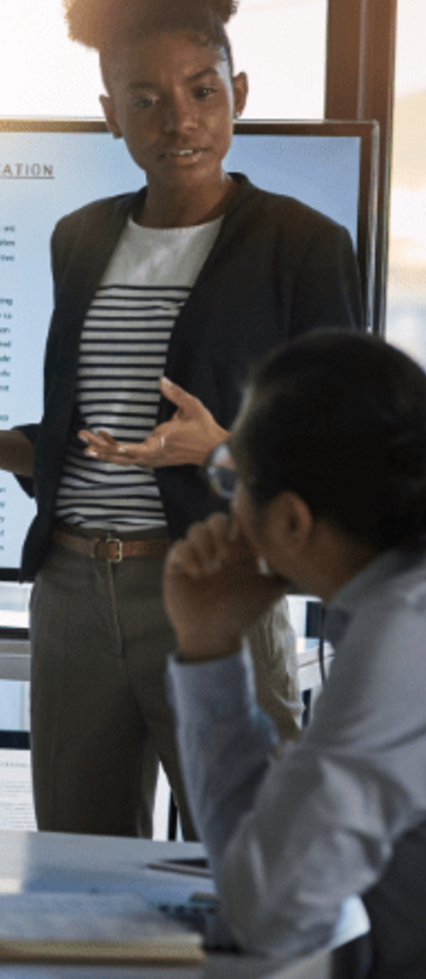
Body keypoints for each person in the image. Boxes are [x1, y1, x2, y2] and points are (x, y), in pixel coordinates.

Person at [0, 0, 362, 838]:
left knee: (250, 852)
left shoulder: (305, 244)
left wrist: (223, 448)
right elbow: (66, 447)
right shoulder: (81, 238)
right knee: (76, 861)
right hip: (68, 595)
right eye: (146, 100)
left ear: (237, 93)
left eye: (201, 91)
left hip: (216, 585)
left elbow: (338, 460)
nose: (178, 121)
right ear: (111, 114)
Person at [163, 331, 426, 976]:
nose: (225, 500)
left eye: (234, 474)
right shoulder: (392, 607)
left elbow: (270, 914)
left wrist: (210, 660)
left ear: (291, 522)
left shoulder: (404, 632)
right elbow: (259, 878)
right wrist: (209, 646)